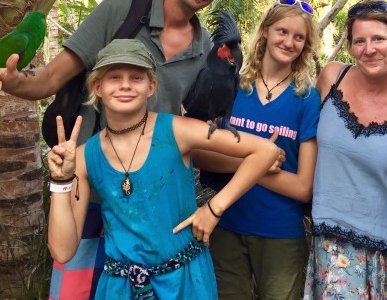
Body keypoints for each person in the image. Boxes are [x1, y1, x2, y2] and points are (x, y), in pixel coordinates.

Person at [0, 0, 237, 299]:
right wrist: (9, 81)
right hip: (88, 190)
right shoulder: (120, 12)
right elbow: (50, 79)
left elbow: (192, 137)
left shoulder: (206, 51)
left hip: (151, 207)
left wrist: (256, 160)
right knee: (73, 292)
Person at [47, 39, 280, 299]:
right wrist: (61, 180)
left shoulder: (177, 131)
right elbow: (62, 251)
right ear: (97, 87)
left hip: (186, 283)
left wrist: (214, 209)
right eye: (114, 77)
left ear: (151, 87)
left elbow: (265, 151)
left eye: (136, 77)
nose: (125, 85)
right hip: (121, 289)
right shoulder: (84, 157)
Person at [303, 0, 387, 300]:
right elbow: (301, 130)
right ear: (350, 47)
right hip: (333, 248)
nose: (369, 49)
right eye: (359, 41)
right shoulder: (331, 77)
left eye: (378, 39)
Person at [194, 0, 320, 299]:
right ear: (265, 31)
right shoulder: (233, 85)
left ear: (305, 45)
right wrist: (258, 160)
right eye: (282, 31)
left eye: (298, 37)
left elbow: (303, 187)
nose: (288, 42)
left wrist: (247, 161)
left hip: (280, 232)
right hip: (226, 224)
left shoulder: (306, 98)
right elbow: (199, 155)